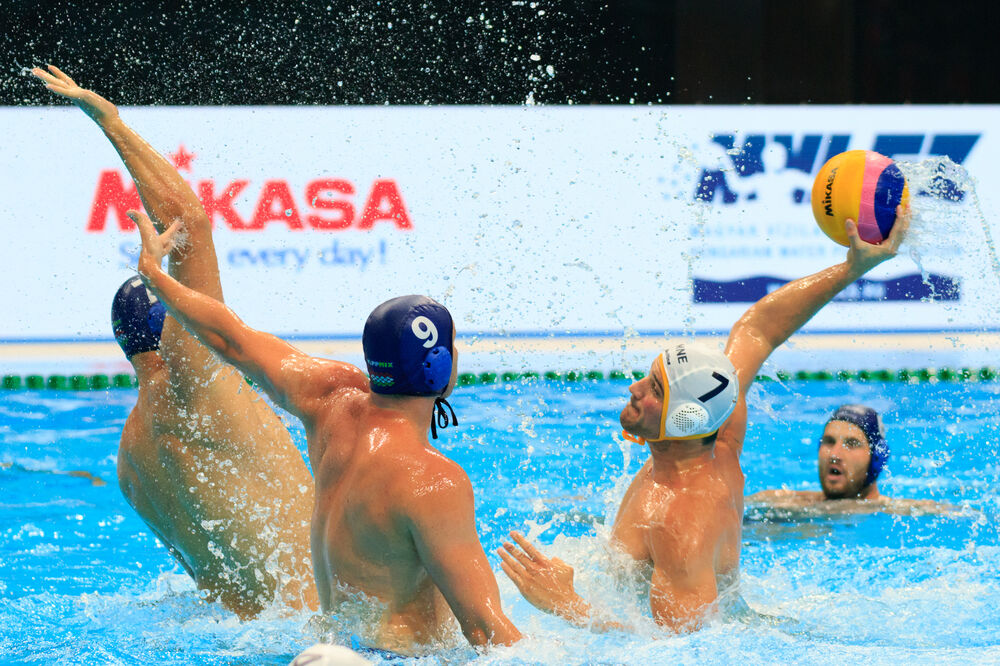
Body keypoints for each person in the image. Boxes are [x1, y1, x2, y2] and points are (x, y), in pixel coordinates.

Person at [125, 213, 521, 654]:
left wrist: (156, 278)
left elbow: (231, 337)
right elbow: (487, 632)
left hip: (322, 649)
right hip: (391, 660)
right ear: (439, 367)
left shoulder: (330, 401)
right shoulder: (434, 481)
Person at [498, 210, 911, 632]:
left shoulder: (681, 519)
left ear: (684, 418)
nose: (635, 389)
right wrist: (851, 269)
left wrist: (567, 604)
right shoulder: (717, 438)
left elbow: (679, 650)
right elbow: (758, 329)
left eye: (655, 389)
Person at [32, 65, 317, 618]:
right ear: (176, 325)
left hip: (232, 637)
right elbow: (190, 223)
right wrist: (111, 121)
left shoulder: (130, 459)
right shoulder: (195, 386)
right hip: (315, 631)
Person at [746, 404, 948, 515]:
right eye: (828, 442)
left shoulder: (903, 513)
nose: (835, 454)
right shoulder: (778, 500)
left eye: (852, 444)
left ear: (876, 458)